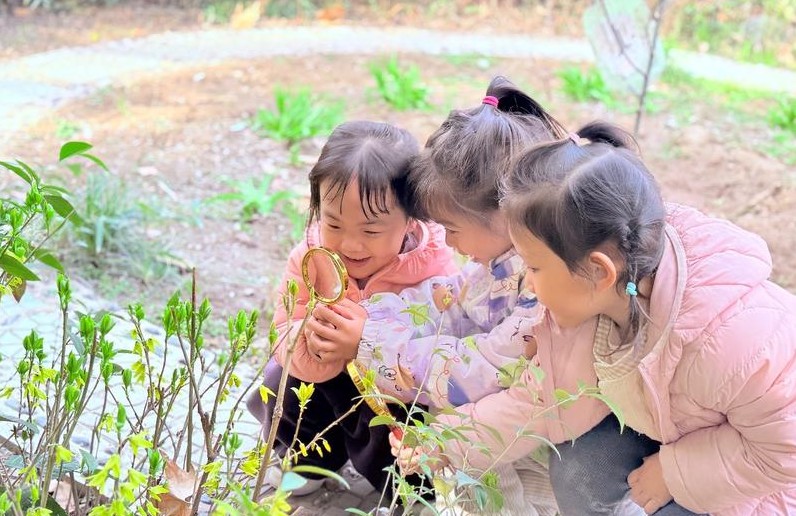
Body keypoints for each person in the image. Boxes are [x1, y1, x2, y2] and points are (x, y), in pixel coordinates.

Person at [304, 77, 577, 515]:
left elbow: (483, 369)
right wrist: (372, 317)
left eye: (451, 228)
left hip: (534, 457)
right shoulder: (498, 264)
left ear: (503, 217)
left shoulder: (543, 290)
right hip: (496, 445)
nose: (448, 243)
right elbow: (446, 303)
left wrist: (369, 341)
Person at [494, 122, 796, 515]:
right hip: (686, 434)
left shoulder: (727, 339)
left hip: (766, 483)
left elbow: (786, 447)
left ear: (599, 272)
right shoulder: (617, 287)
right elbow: (535, 398)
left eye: (533, 267)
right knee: (580, 469)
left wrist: (675, 472)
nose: (526, 284)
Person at [246, 120, 457, 497]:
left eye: (371, 230)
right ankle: (307, 463)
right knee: (283, 381)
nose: (350, 244)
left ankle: (408, 489)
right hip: (326, 382)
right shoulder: (310, 258)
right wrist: (308, 337)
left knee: (402, 424)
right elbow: (284, 327)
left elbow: (436, 358)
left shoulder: (433, 271)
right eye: (334, 223)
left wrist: (366, 345)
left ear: (411, 219)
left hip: (396, 391)